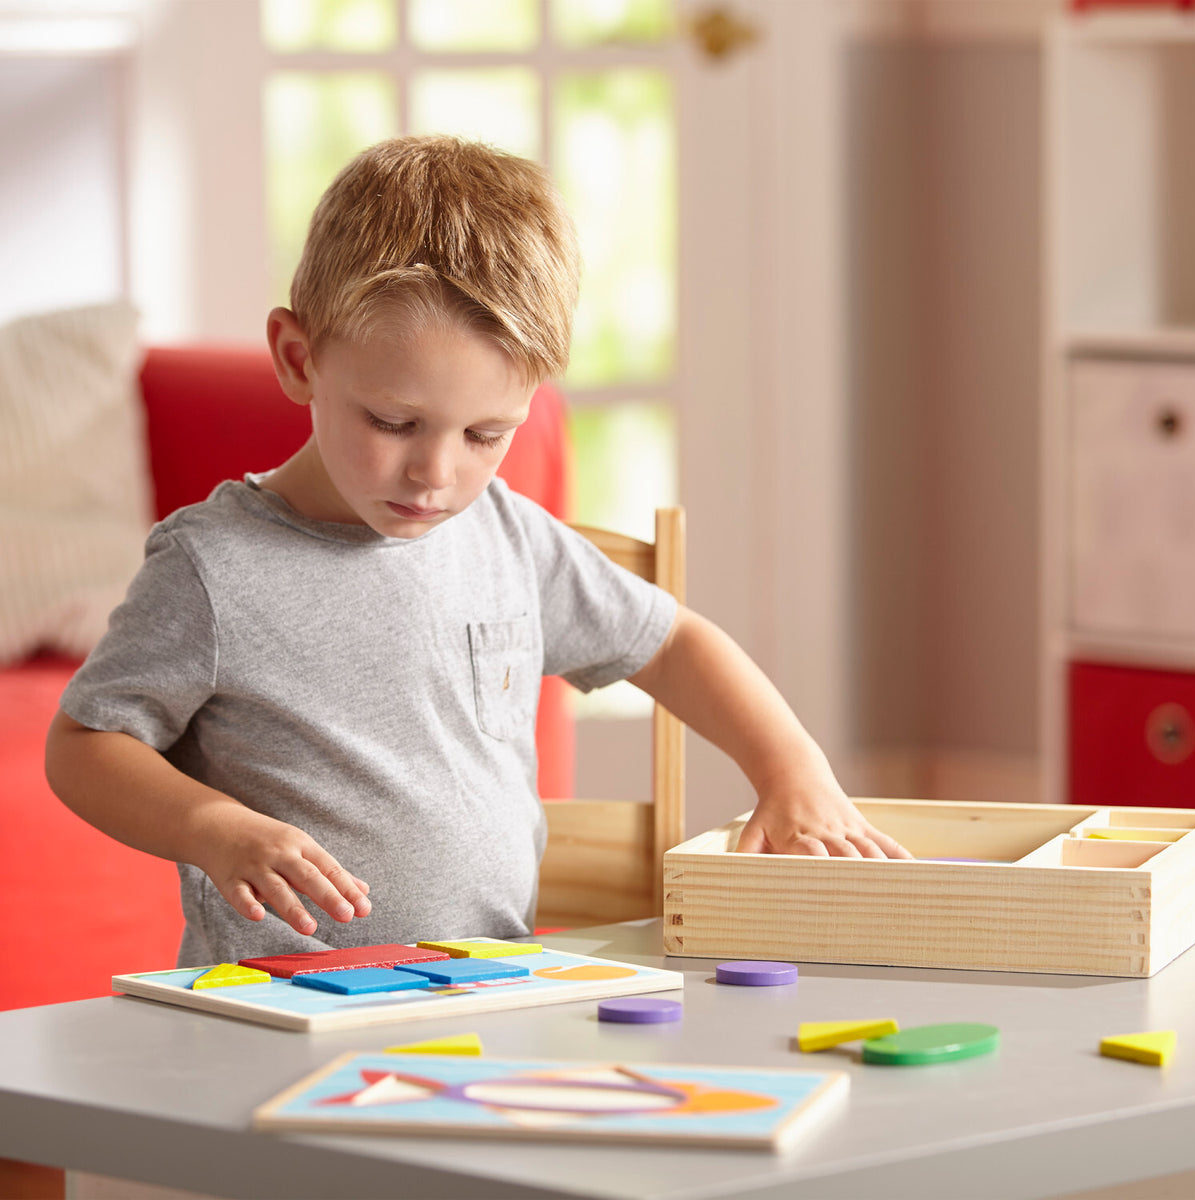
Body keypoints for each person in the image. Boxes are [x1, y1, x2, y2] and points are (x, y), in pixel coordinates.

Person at [44, 135, 909, 968]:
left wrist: (793, 771)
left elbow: (671, 641)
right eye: (392, 423)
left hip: (488, 986)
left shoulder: (506, 534)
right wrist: (210, 826)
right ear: (298, 357)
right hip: (280, 1007)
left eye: (487, 434)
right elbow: (85, 746)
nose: (435, 472)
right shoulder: (211, 568)